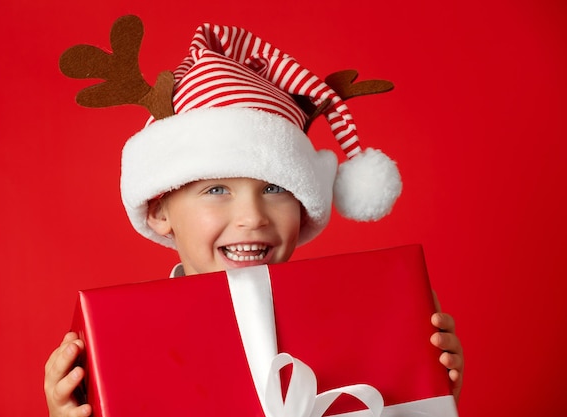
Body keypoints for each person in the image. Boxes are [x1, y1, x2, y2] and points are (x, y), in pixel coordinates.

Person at [45, 16, 464, 417]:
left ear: (302, 206)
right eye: (216, 190)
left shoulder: (368, 323)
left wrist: (428, 394)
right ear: (158, 211)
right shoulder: (121, 347)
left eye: (274, 188)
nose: (252, 216)